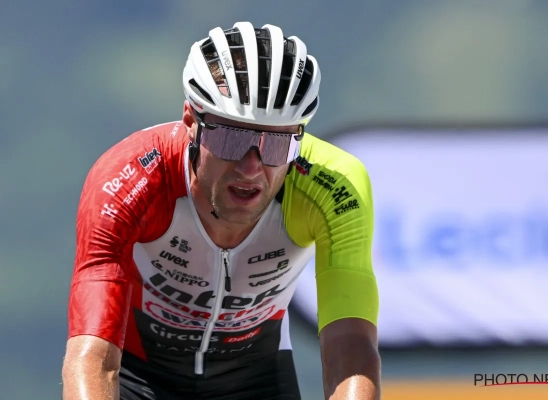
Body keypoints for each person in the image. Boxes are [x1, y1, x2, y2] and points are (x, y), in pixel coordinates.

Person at [62, 21, 380, 400]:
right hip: (139, 378)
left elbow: (351, 347)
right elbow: (93, 358)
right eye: (232, 138)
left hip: (255, 379)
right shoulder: (128, 180)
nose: (251, 167)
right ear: (191, 122)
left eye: (276, 144)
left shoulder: (334, 187)